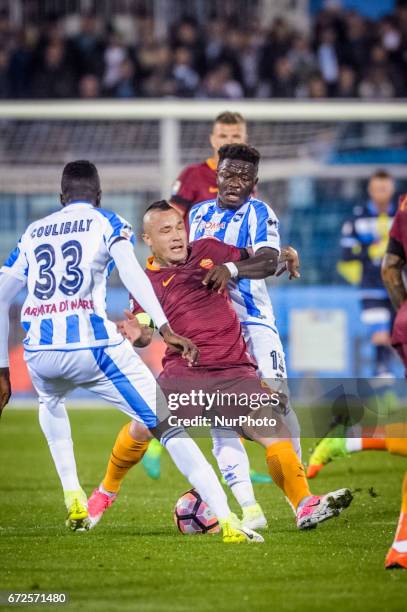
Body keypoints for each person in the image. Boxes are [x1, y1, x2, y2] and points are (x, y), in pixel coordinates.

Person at [0, 160, 264, 544]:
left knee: (51, 404)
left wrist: (3, 368)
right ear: (99, 195)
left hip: (40, 351)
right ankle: (227, 521)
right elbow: (131, 272)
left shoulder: (32, 233)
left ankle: (74, 496)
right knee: (169, 428)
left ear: (61, 198)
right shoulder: (107, 222)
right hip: (92, 345)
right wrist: (167, 328)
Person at [88, 201, 353, 532]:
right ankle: (105, 492)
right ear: (148, 240)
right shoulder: (146, 282)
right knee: (142, 426)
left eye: (179, 227)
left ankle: (304, 505)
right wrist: (139, 335)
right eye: (165, 231)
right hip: (185, 375)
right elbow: (144, 328)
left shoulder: (210, 249)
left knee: (277, 431)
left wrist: (286, 252)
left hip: (233, 373)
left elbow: (253, 255)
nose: (176, 236)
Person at [144, 110, 271, 485]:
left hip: (243, 296)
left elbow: (256, 244)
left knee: (250, 389)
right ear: (211, 139)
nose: (227, 138)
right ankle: (164, 444)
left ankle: (254, 468)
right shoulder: (194, 181)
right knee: (215, 385)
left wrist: (278, 254)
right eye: (222, 133)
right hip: (200, 294)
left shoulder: (247, 185)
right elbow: (168, 225)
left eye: (235, 133)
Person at [338, 169, 397, 377]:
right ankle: (383, 371)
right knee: (379, 333)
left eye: (385, 187)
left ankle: (385, 370)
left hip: (399, 286)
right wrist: (370, 250)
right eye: (377, 187)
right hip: (371, 285)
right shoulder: (357, 217)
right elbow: (346, 252)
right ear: (370, 190)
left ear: (392, 188)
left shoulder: (401, 215)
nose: (381, 191)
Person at [170, 111, 248, 218]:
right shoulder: (193, 174)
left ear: (244, 140)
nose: (230, 141)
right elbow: (171, 218)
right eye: (223, 136)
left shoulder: (248, 178)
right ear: (212, 140)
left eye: (236, 136)